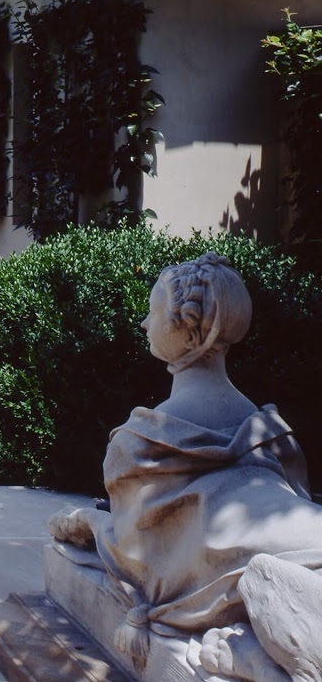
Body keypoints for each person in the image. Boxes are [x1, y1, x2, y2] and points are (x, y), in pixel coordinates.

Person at [50, 253, 322, 682]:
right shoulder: (271, 433)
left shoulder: (139, 444)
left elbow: (136, 556)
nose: (143, 322)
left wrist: (87, 521)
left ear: (188, 331)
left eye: (154, 312)